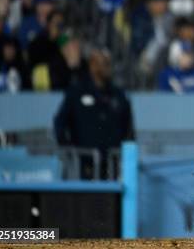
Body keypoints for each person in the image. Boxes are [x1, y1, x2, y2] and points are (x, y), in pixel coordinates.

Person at [54, 47, 134, 179]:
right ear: (92, 64)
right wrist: (71, 151)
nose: (108, 67)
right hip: (83, 168)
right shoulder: (76, 92)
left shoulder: (118, 95)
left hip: (111, 168)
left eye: (109, 63)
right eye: (104, 63)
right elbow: (60, 124)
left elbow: (129, 130)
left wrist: (123, 159)